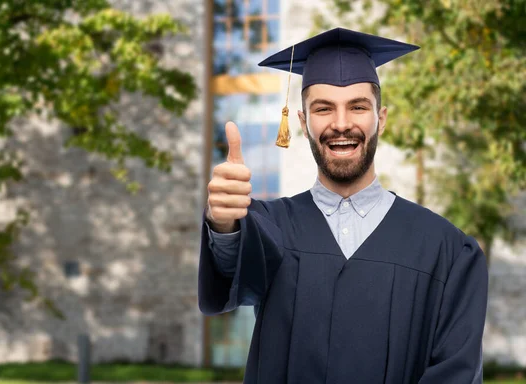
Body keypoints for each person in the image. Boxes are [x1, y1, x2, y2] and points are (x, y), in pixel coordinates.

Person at [198, 27, 488, 383]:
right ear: (303, 123)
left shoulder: (447, 249)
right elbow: (232, 268)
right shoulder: (268, 227)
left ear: (380, 118)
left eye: (358, 106)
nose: (341, 124)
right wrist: (223, 224)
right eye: (323, 109)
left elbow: (455, 374)